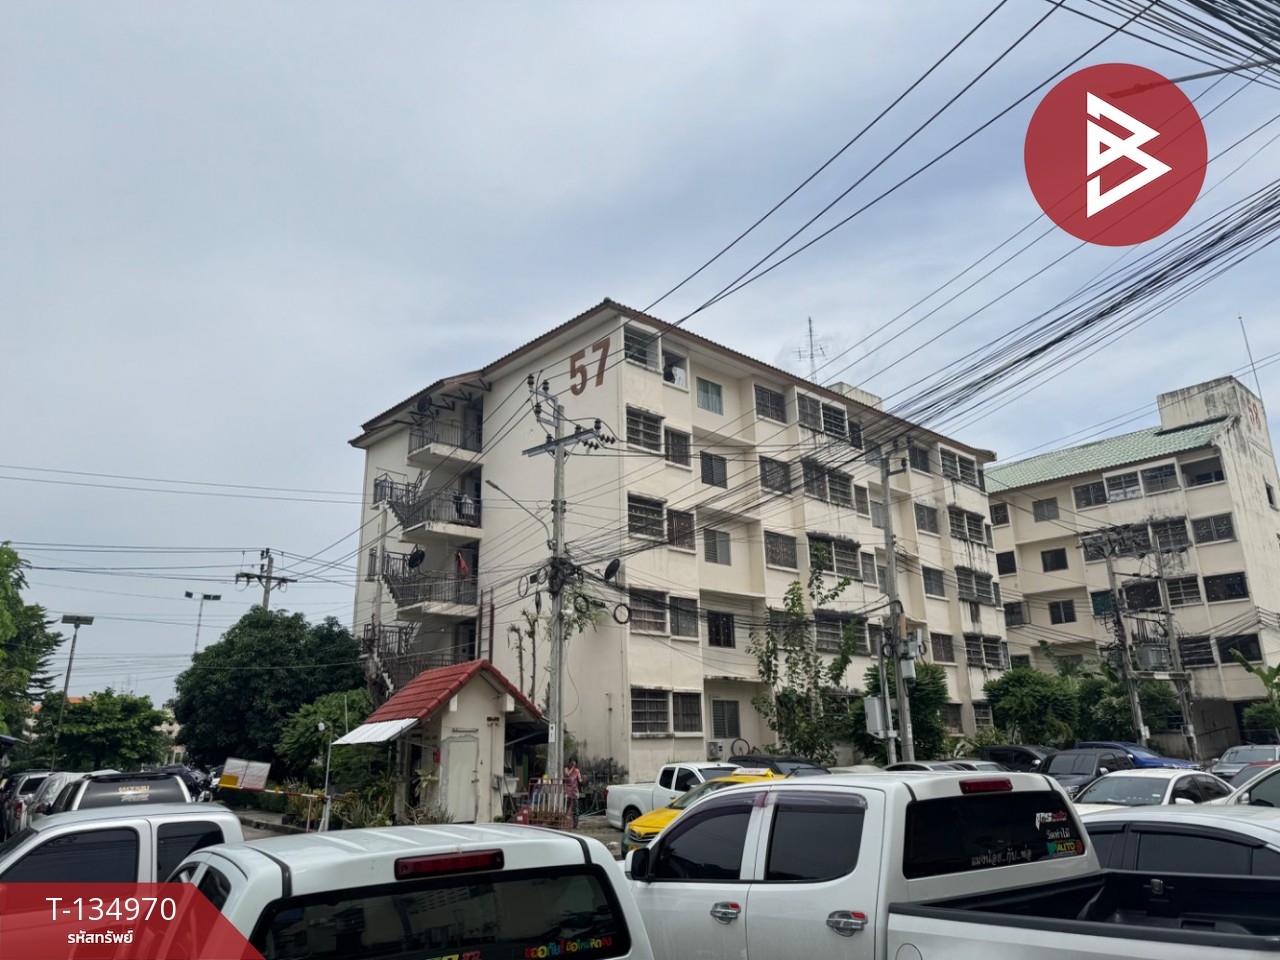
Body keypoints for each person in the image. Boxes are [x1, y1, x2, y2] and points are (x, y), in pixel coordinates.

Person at [564, 757, 583, 827]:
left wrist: (582, 781)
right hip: (567, 791)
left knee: (576, 808)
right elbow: (567, 774)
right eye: (571, 762)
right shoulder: (566, 769)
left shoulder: (577, 771)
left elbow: (580, 780)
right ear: (569, 763)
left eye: (574, 762)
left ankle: (575, 824)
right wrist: (572, 767)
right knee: (567, 807)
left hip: (574, 791)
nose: (572, 764)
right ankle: (566, 823)